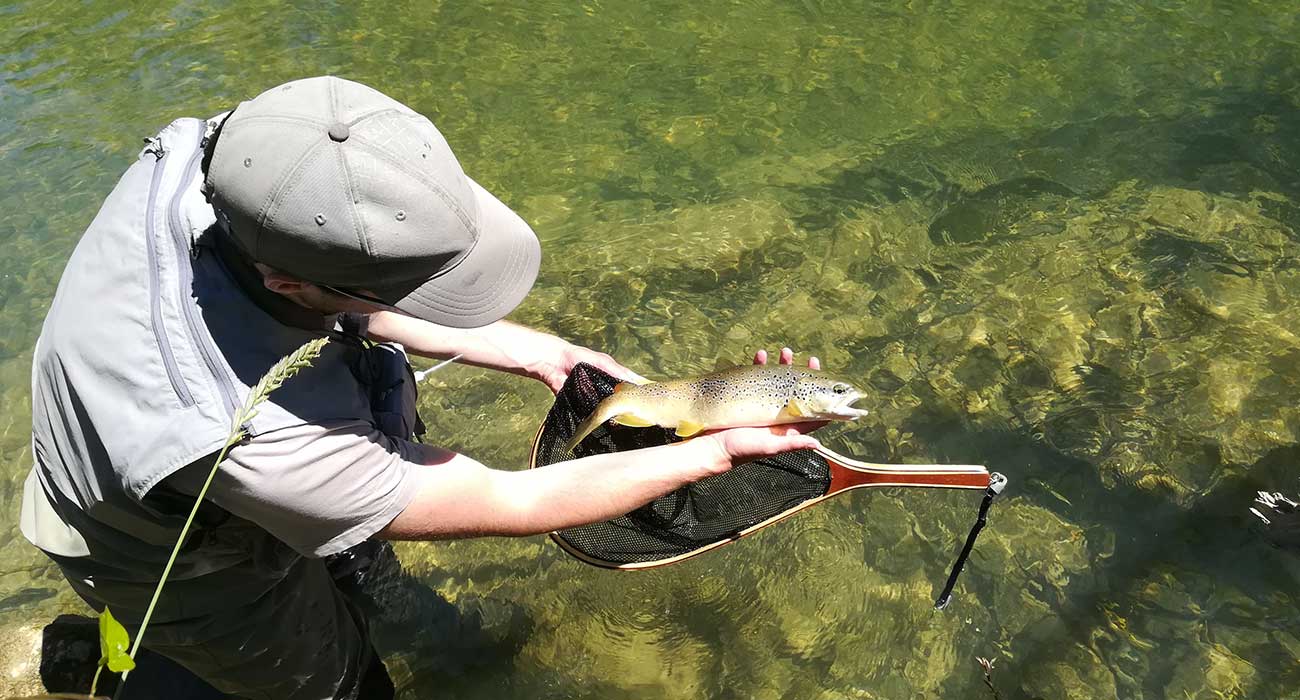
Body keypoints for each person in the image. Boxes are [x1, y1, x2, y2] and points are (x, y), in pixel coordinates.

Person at [19, 76, 823, 700]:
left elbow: (355, 296)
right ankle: (121, 661)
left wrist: (547, 356)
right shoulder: (252, 438)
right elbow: (511, 502)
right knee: (322, 680)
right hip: (173, 544)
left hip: (183, 424)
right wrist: (715, 453)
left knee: (353, 565)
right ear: (291, 282)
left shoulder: (256, 153)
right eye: (409, 285)